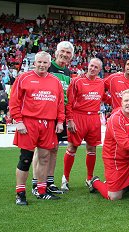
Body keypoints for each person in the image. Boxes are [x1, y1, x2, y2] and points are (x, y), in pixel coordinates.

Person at [10, 51, 65, 205]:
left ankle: (41, 191)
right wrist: (18, 120)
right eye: (39, 62)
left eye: (45, 63)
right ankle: (20, 193)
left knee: (44, 157)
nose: (42, 65)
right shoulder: (24, 78)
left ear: (49, 64)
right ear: (34, 62)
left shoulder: (55, 81)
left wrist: (60, 121)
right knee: (26, 158)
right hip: (29, 123)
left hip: (48, 124)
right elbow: (14, 100)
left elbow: (60, 103)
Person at [32, 41, 74, 195]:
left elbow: (67, 97)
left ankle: (49, 182)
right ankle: (36, 183)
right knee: (41, 150)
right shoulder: (47, 66)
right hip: (45, 114)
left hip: (60, 115)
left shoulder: (68, 73)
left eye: (68, 53)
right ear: (56, 53)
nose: (64, 54)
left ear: (72, 56)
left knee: (54, 148)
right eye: (62, 51)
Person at [61, 58, 107, 191]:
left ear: (99, 70)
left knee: (92, 149)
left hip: (93, 117)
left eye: (96, 67)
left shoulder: (101, 83)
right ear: (88, 66)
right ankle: (65, 178)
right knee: (72, 147)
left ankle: (89, 178)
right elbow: (69, 102)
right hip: (78, 116)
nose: (93, 69)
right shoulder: (77, 81)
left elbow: (103, 97)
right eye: (91, 66)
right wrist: (69, 120)